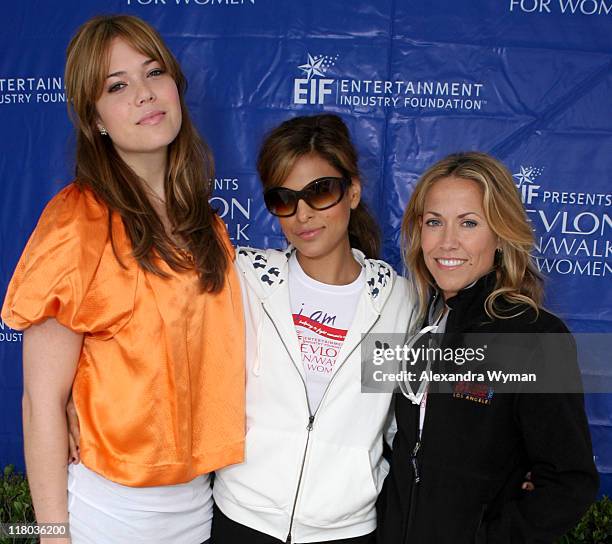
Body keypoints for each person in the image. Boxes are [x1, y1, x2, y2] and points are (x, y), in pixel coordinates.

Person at [1, 15, 244, 544]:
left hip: (201, 506)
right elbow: (41, 402)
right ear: (96, 121)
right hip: (110, 515)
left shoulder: (208, 226)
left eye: (153, 72)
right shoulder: (77, 222)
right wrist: (53, 536)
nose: (143, 94)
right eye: (117, 85)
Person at [210, 114, 417, 543]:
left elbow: (410, 419)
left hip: (347, 530)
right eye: (284, 199)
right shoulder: (245, 278)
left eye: (320, 191)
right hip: (241, 518)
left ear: (353, 192)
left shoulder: (399, 302)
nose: (302, 214)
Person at [376, 152, 599, 543]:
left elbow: (569, 481)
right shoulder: (412, 323)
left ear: (499, 235)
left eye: (469, 223)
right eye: (434, 222)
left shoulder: (536, 338)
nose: (448, 242)